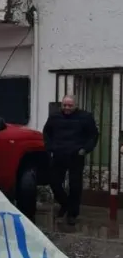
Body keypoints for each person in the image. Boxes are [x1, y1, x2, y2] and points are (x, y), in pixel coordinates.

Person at [43, 95, 99, 224]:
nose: (67, 108)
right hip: (59, 155)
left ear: (76, 106)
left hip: (75, 155)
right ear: (61, 105)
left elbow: (93, 135)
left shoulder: (85, 117)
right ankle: (65, 204)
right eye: (65, 105)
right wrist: (50, 148)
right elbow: (47, 133)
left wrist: (85, 149)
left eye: (70, 105)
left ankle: (72, 214)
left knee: (75, 186)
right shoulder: (54, 117)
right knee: (54, 183)